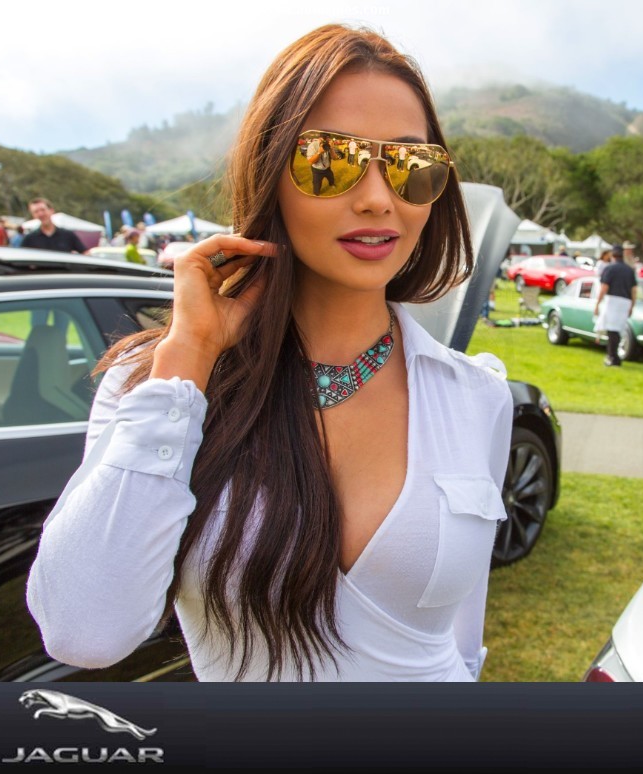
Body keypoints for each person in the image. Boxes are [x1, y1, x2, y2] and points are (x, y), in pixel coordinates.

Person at [26, 24, 513, 683]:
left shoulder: (478, 397)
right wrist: (189, 355)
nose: (378, 198)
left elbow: (461, 637)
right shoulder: (159, 390)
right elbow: (85, 631)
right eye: (329, 160)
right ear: (270, 170)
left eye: (409, 165)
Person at [593, 243, 637, 367]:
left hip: (612, 300)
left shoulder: (610, 268)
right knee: (617, 330)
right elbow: (634, 290)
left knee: (612, 330)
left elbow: (604, 287)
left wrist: (597, 303)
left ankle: (613, 356)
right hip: (625, 301)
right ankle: (613, 355)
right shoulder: (629, 270)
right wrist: (632, 305)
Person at [22, 199, 87, 254]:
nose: (40, 214)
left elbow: (85, 253)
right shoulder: (29, 239)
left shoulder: (68, 235)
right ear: (33, 215)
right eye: (36, 211)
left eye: (43, 210)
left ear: (52, 210)